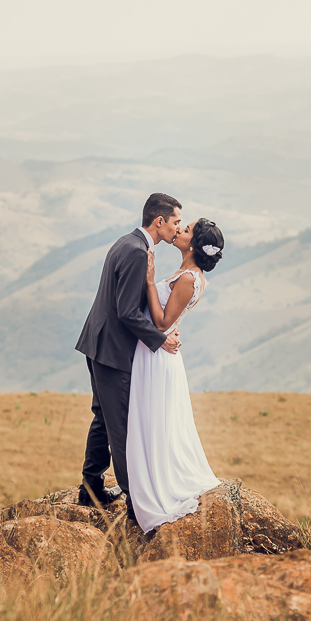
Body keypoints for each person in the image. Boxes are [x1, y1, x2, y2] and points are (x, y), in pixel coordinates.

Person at [74, 193, 184, 518]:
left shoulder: (128, 243)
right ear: (159, 221)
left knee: (102, 417)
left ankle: (90, 488)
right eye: (176, 222)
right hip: (112, 352)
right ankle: (136, 504)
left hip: (97, 344)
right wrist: (161, 339)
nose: (178, 229)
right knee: (120, 424)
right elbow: (126, 312)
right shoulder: (138, 253)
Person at [126, 216, 226, 533]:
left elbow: (161, 322)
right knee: (153, 418)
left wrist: (148, 280)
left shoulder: (188, 278)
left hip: (156, 355)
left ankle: (158, 484)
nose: (180, 229)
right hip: (156, 351)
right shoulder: (187, 273)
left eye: (188, 229)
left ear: (194, 245)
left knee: (153, 419)